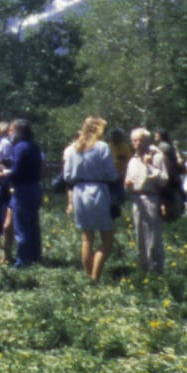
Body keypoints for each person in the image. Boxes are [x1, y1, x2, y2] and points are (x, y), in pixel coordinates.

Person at [62, 116, 118, 282]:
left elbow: (67, 175)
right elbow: (111, 173)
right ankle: (95, 276)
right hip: (98, 191)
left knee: (87, 237)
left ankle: (88, 276)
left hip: (79, 191)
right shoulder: (102, 147)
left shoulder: (73, 148)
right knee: (107, 239)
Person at [124, 127, 167, 274]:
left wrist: (148, 166)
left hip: (151, 198)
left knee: (153, 238)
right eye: (134, 140)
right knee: (140, 237)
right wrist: (128, 185)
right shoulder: (132, 160)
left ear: (147, 141)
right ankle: (143, 271)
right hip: (136, 199)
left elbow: (164, 180)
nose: (136, 143)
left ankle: (156, 271)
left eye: (139, 140)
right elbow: (128, 182)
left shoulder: (157, 157)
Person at [7, 119, 44, 268]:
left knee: (21, 226)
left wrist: (4, 174)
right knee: (33, 225)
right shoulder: (34, 146)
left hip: (22, 189)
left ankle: (22, 261)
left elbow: (16, 171)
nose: (9, 132)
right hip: (35, 188)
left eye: (11, 129)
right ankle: (35, 256)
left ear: (18, 130)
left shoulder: (19, 147)